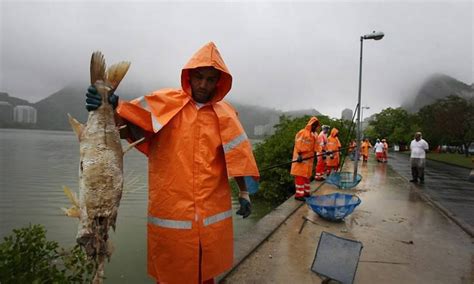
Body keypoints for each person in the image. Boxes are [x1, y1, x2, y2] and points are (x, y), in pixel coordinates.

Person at [85, 42, 259, 283]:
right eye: (199, 77)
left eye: (210, 79)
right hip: (171, 216)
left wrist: (244, 192)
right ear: (189, 75)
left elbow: (237, 156)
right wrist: (108, 105)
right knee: (169, 276)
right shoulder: (165, 103)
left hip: (210, 219)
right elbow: (126, 129)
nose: (203, 85)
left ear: (219, 82)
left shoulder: (227, 114)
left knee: (204, 275)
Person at [290, 117, 320, 201]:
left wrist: (322, 152)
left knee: (306, 176)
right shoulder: (303, 132)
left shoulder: (314, 134)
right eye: (315, 126)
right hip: (300, 159)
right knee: (300, 177)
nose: (316, 128)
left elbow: (316, 146)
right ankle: (299, 195)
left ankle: (306, 193)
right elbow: (298, 143)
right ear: (311, 125)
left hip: (308, 160)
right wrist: (299, 154)